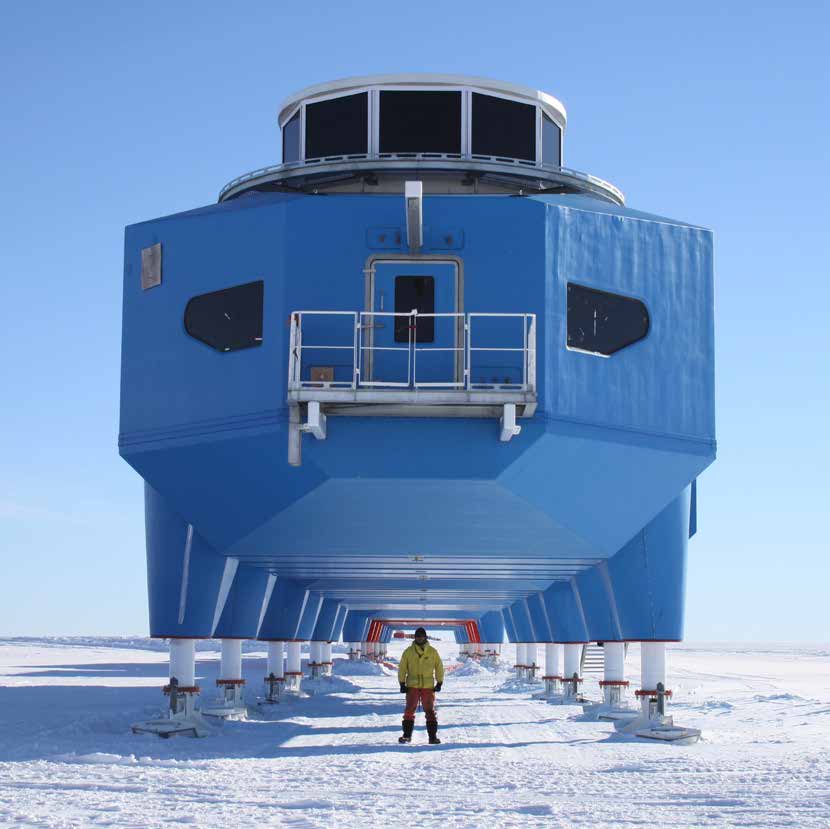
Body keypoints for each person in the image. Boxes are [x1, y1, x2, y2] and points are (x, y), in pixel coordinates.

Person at [397, 627, 444, 744]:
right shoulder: (408, 652)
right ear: (415, 637)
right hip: (412, 686)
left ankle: (432, 737)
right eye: (418, 636)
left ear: (425, 637)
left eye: (422, 636)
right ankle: (407, 736)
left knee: (430, 712)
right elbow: (402, 668)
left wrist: (439, 682)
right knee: (409, 711)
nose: (420, 638)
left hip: (428, 687)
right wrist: (402, 683)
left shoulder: (433, 652)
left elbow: (439, 667)